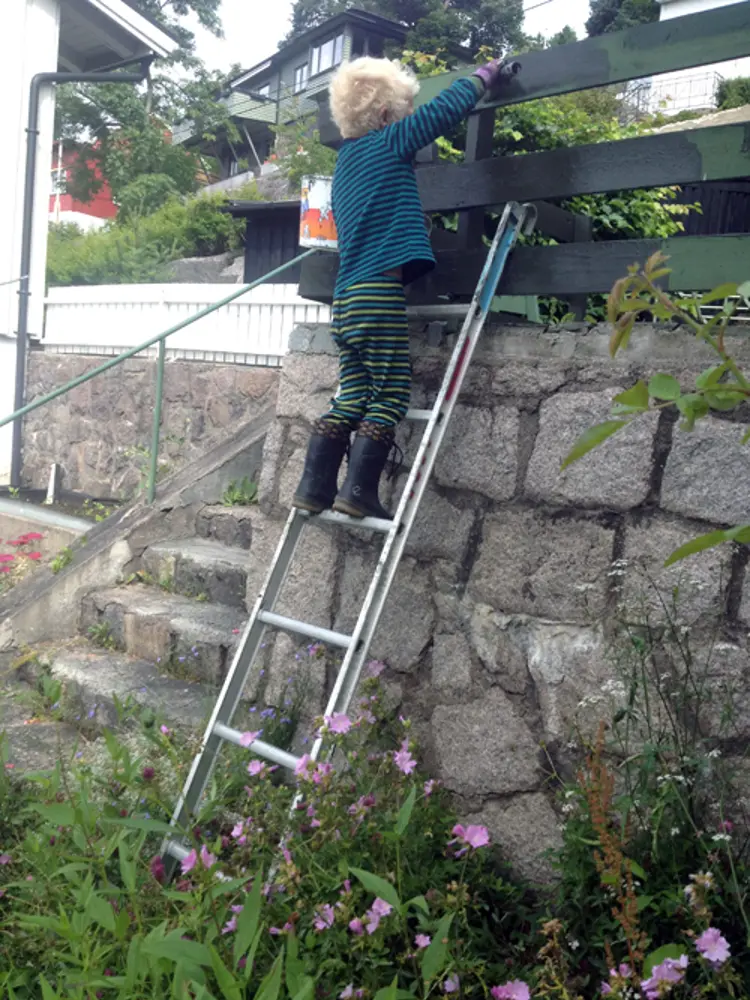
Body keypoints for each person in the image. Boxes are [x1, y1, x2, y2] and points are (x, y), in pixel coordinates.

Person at [292, 55, 508, 520]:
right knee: (390, 394)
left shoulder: (347, 162)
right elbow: (441, 112)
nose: (410, 120)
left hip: (345, 301)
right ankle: (358, 492)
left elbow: (380, 208)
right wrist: (481, 78)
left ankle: (312, 488)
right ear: (388, 115)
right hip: (376, 294)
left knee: (350, 395)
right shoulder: (390, 141)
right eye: (404, 112)